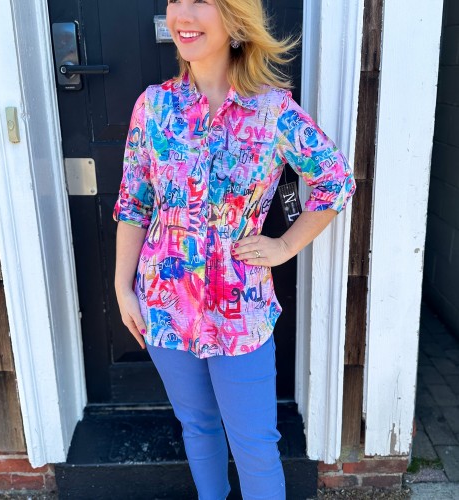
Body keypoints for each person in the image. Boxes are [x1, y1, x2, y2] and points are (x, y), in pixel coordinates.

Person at [113, 0, 356, 498]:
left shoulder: (273, 112)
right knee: (198, 428)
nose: (182, 14)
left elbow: (335, 181)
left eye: (200, 1)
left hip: (240, 313)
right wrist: (122, 288)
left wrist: (285, 245)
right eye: (175, 0)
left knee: (254, 445)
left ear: (234, 18)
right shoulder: (154, 107)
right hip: (164, 305)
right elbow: (134, 203)